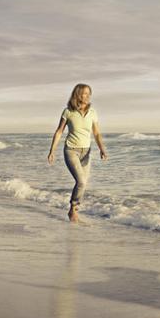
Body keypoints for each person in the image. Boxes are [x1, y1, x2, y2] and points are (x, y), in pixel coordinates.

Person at [48, 83, 108, 222]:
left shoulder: (92, 112)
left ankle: (72, 210)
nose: (87, 96)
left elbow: (97, 133)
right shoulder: (68, 111)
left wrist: (102, 149)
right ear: (77, 94)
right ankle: (74, 208)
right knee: (81, 181)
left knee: (84, 183)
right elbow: (59, 132)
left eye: (89, 94)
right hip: (71, 150)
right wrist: (52, 151)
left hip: (86, 152)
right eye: (84, 93)